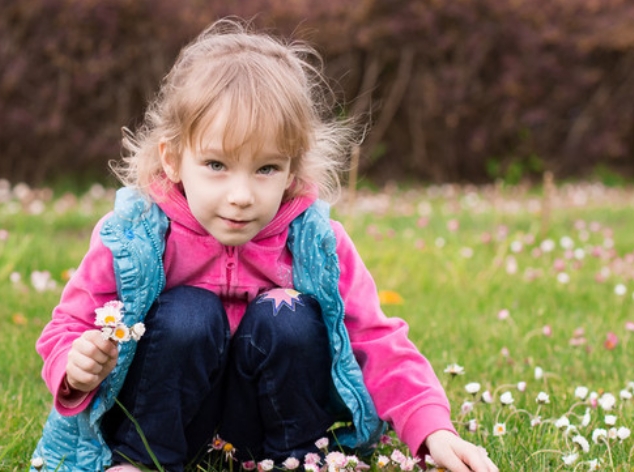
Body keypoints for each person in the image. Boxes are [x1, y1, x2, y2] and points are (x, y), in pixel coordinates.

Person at [30, 18, 498, 472]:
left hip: (266, 423)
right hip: (169, 417)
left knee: (288, 316)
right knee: (188, 313)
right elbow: (66, 326)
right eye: (216, 164)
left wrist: (433, 429)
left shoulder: (316, 242)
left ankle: (295, 458)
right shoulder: (135, 235)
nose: (241, 195)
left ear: (293, 171)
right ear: (173, 160)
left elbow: (375, 339)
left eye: (266, 169)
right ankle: (141, 461)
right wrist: (75, 367)